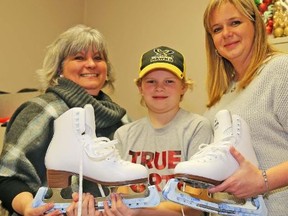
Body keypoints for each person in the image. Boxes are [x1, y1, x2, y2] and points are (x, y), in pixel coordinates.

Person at [0, 24, 127, 216]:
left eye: (98, 58)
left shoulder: (122, 119)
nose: (91, 64)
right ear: (60, 68)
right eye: (79, 57)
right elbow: (6, 178)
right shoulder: (40, 111)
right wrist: (28, 207)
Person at [102, 46, 213, 216]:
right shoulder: (123, 135)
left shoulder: (197, 128)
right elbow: (120, 197)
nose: (159, 88)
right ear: (140, 87)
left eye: (169, 81)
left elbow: (194, 206)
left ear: (183, 86)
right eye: (151, 81)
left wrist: (140, 211)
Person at [202, 0, 288, 215]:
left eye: (235, 22)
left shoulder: (279, 71)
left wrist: (262, 181)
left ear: (255, 25)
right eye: (217, 29)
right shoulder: (219, 101)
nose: (226, 33)